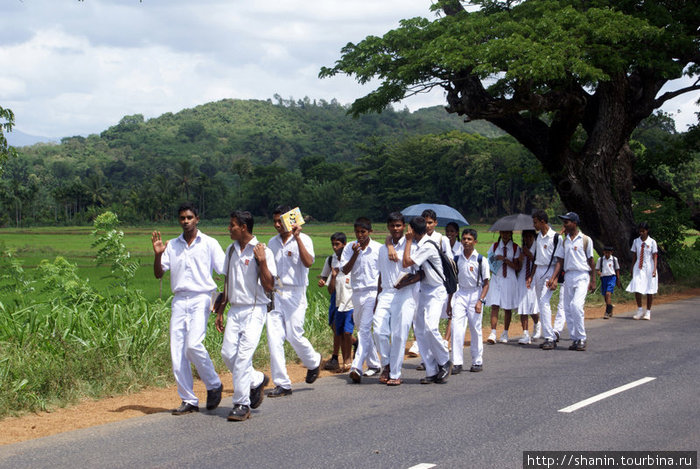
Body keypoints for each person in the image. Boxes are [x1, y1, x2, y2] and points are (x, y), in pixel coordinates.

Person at [151, 203, 225, 416]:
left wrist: (223, 300)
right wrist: (157, 254)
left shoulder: (209, 243)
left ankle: (213, 384)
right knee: (178, 352)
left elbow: (224, 269)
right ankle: (188, 399)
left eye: (189, 217)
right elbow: (158, 274)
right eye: (182, 218)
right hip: (179, 299)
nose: (185, 221)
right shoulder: (172, 246)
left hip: (202, 297)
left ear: (197, 219)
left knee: (193, 345)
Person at [215, 210, 276, 421]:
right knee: (227, 354)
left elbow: (269, 286)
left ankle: (242, 404)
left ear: (243, 227)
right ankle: (257, 379)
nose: (229, 229)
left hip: (254, 308)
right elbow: (226, 281)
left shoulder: (262, 250)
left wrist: (263, 262)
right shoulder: (231, 251)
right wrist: (221, 310)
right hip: (235, 309)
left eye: (232, 225)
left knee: (242, 358)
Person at [266, 205, 321, 398]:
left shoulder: (304, 239)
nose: (277, 225)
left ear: (290, 220)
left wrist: (297, 238)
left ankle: (314, 361)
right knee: (274, 339)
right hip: (276, 293)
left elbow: (308, 262)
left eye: (280, 221)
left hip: (296, 293)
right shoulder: (272, 243)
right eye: (274, 221)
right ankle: (282, 383)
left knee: (294, 335)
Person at [402, 216, 453, 384]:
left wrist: (408, 241)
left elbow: (407, 261)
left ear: (413, 231)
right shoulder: (420, 245)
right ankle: (431, 370)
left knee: (431, 327)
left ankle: (445, 361)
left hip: (436, 291)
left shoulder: (427, 246)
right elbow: (419, 271)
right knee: (421, 331)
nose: (407, 233)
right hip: (424, 289)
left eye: (409, 230)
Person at [374, 212, 421, 386]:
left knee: (399, 334)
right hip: (386, 293)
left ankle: (395, 373)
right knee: (378, 330)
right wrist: (378, 298)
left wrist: (405, 282)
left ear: (404, 226)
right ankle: (385, 364)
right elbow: (380, 274)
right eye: (392, 225)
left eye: (399, 225)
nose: (395, 229)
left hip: (405, 293)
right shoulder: (382, 248)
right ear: (388, 227)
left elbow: (420, 273)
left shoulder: (412, 247)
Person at [341, 217, 382, 383]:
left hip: (373, 292)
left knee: (364, 329)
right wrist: (355, 255)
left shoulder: (379, 249)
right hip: (356, 292)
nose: (360, 235)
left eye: (363, 232)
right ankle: (374, 364)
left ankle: (356, 366)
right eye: (357, 232)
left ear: (370, 232)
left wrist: (380, 297)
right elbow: (344, 270)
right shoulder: (350, 249)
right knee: (361, 328)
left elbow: (382, 275)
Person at [547, 212, 596, 351]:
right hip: (568, 276)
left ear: (574, 223)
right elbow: (560, 261)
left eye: (567, 222)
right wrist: (553, 277)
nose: (564, 225)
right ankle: (575, 339)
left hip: (582, 275)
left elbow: (591, 261)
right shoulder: (564, 241)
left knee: (576, 305)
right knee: (568, 308)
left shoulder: (586, 239)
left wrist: (593, 280)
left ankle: (581, 338)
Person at [447, 228, 490, 374]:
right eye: (464, 239)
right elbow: (452, 281)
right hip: (460, 293)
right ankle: (457, 362)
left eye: (469, 239)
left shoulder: (480, 260)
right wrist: (450, 301)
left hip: (475, 293)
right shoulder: (457, 259)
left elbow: (486, 283)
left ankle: (477, 361)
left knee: (475, 328)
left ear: (475, 242)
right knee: (456, 329)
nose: (466, 242)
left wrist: (480, 301)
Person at [526, 210, 561, 350]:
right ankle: (549, 335)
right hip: (539, 271)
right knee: (541, 304)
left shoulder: (556, 237)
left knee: (544, 301)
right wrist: (531, 275)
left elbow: (560, 260)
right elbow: (536, 258)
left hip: (551, 270)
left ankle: (550, 337)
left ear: (542, 221)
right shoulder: (538, 237)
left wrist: (554, 278)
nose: (534, 225)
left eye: (535, 222)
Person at [326, 232, 356, 372]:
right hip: (338, 302)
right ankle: (345, 359)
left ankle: (347, 360)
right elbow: (330, 289)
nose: (334, 247)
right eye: (333, 244)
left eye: (337, 244)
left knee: (347, 332)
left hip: (350, 302)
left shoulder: (352, 262)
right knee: (338, 330)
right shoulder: (332, 261)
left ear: (344, 245)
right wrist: (332, 276)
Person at [485, 231, 521, 344]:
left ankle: (505, 332)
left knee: (507, 307)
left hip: (509, 278)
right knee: (495, 305)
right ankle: (493, 332)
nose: (505, 235)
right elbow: (488, 262)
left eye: (507, 233)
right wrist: (494, 262)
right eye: (503, 233)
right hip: (497, 278)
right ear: (500, 233)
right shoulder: (495, 246)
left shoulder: (515, 248)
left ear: (510, 234)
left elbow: (516, 267)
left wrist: (504, 259)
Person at [626, 222, 658, 320]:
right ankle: (639, 310)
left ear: (647, 231)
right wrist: (632, 268)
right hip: (638, 268)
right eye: (640, 231)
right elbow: (635, 256)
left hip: (649, 267)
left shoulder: (652, 242)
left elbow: (655, 256)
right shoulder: (636, 241)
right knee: (637, 287)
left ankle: (648, 311)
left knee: (649, 289)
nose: (641, 233)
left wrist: (654, 269)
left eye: (643, 231)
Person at [516, 229, 538, 344]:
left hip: (533, 279)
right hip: (522, 279)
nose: (528, 239)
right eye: (525, 237)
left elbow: (538, 262)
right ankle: (525, 334)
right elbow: (519, 268)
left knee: (533, 306)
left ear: (534, 237)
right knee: (522, 306)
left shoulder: (538, 249)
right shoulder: (521, 250)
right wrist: (520, 260)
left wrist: (529, 254)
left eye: (530, 237)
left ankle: (537, 324)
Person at [596, 245, 622, 319]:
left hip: (612, 277)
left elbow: (617, 269)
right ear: (603, 252)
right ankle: (610, 308)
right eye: (605, 252)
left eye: (608, 252)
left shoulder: (614, 259)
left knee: (608, 293)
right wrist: (599, 274)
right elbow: (597, 269)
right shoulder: (600, 260)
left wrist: (618, 279)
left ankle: (607, 312)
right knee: (605, 295)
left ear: (611, 252)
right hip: (604, 278)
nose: (607, 254)